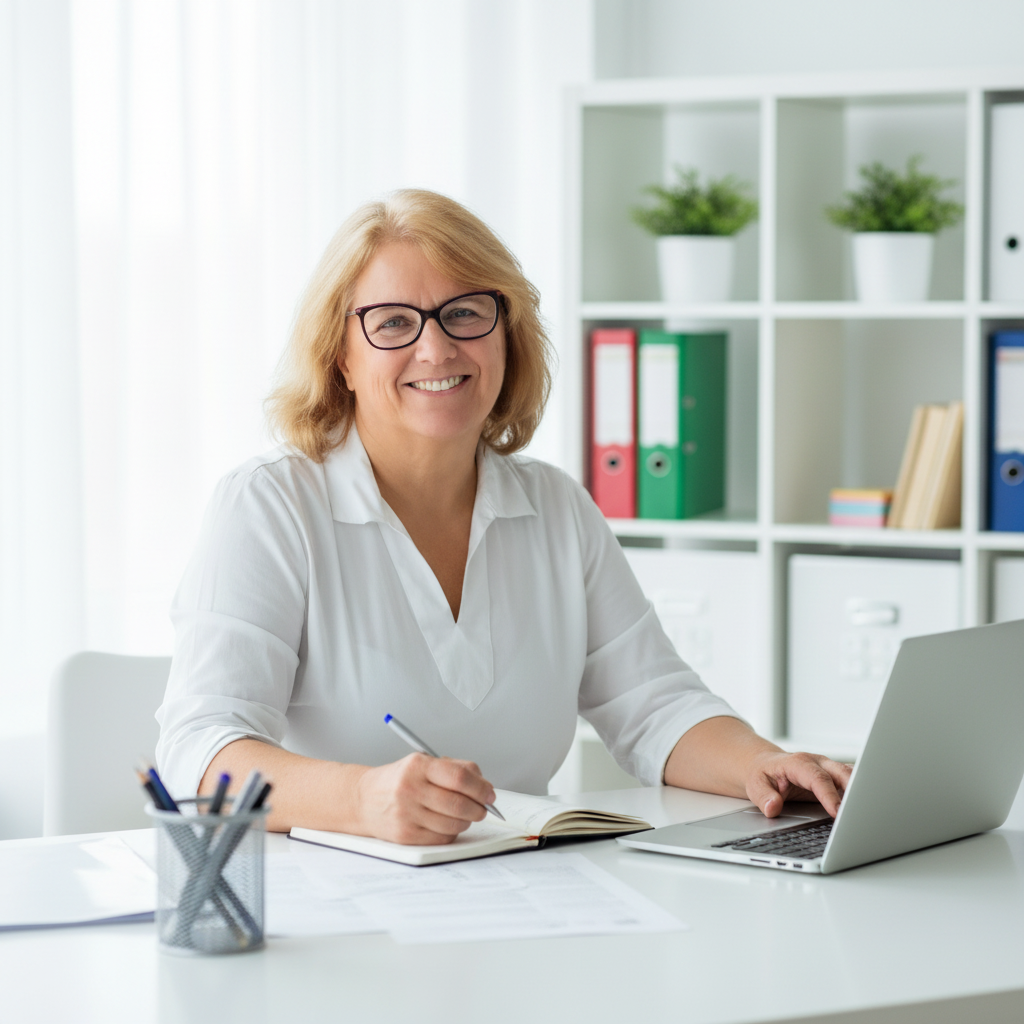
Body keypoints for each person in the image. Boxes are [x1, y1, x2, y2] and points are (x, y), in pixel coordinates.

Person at [155, 189, 851, 843]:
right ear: (341, 355)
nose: (436, 348)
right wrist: (363, 800)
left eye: (464, 312)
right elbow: (196, 753)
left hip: (528, 895)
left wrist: (762, 763)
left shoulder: (556, 508)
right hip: (341, 911)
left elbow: (655, 705)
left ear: (505, 333)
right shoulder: (271, 507)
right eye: (394, 322)